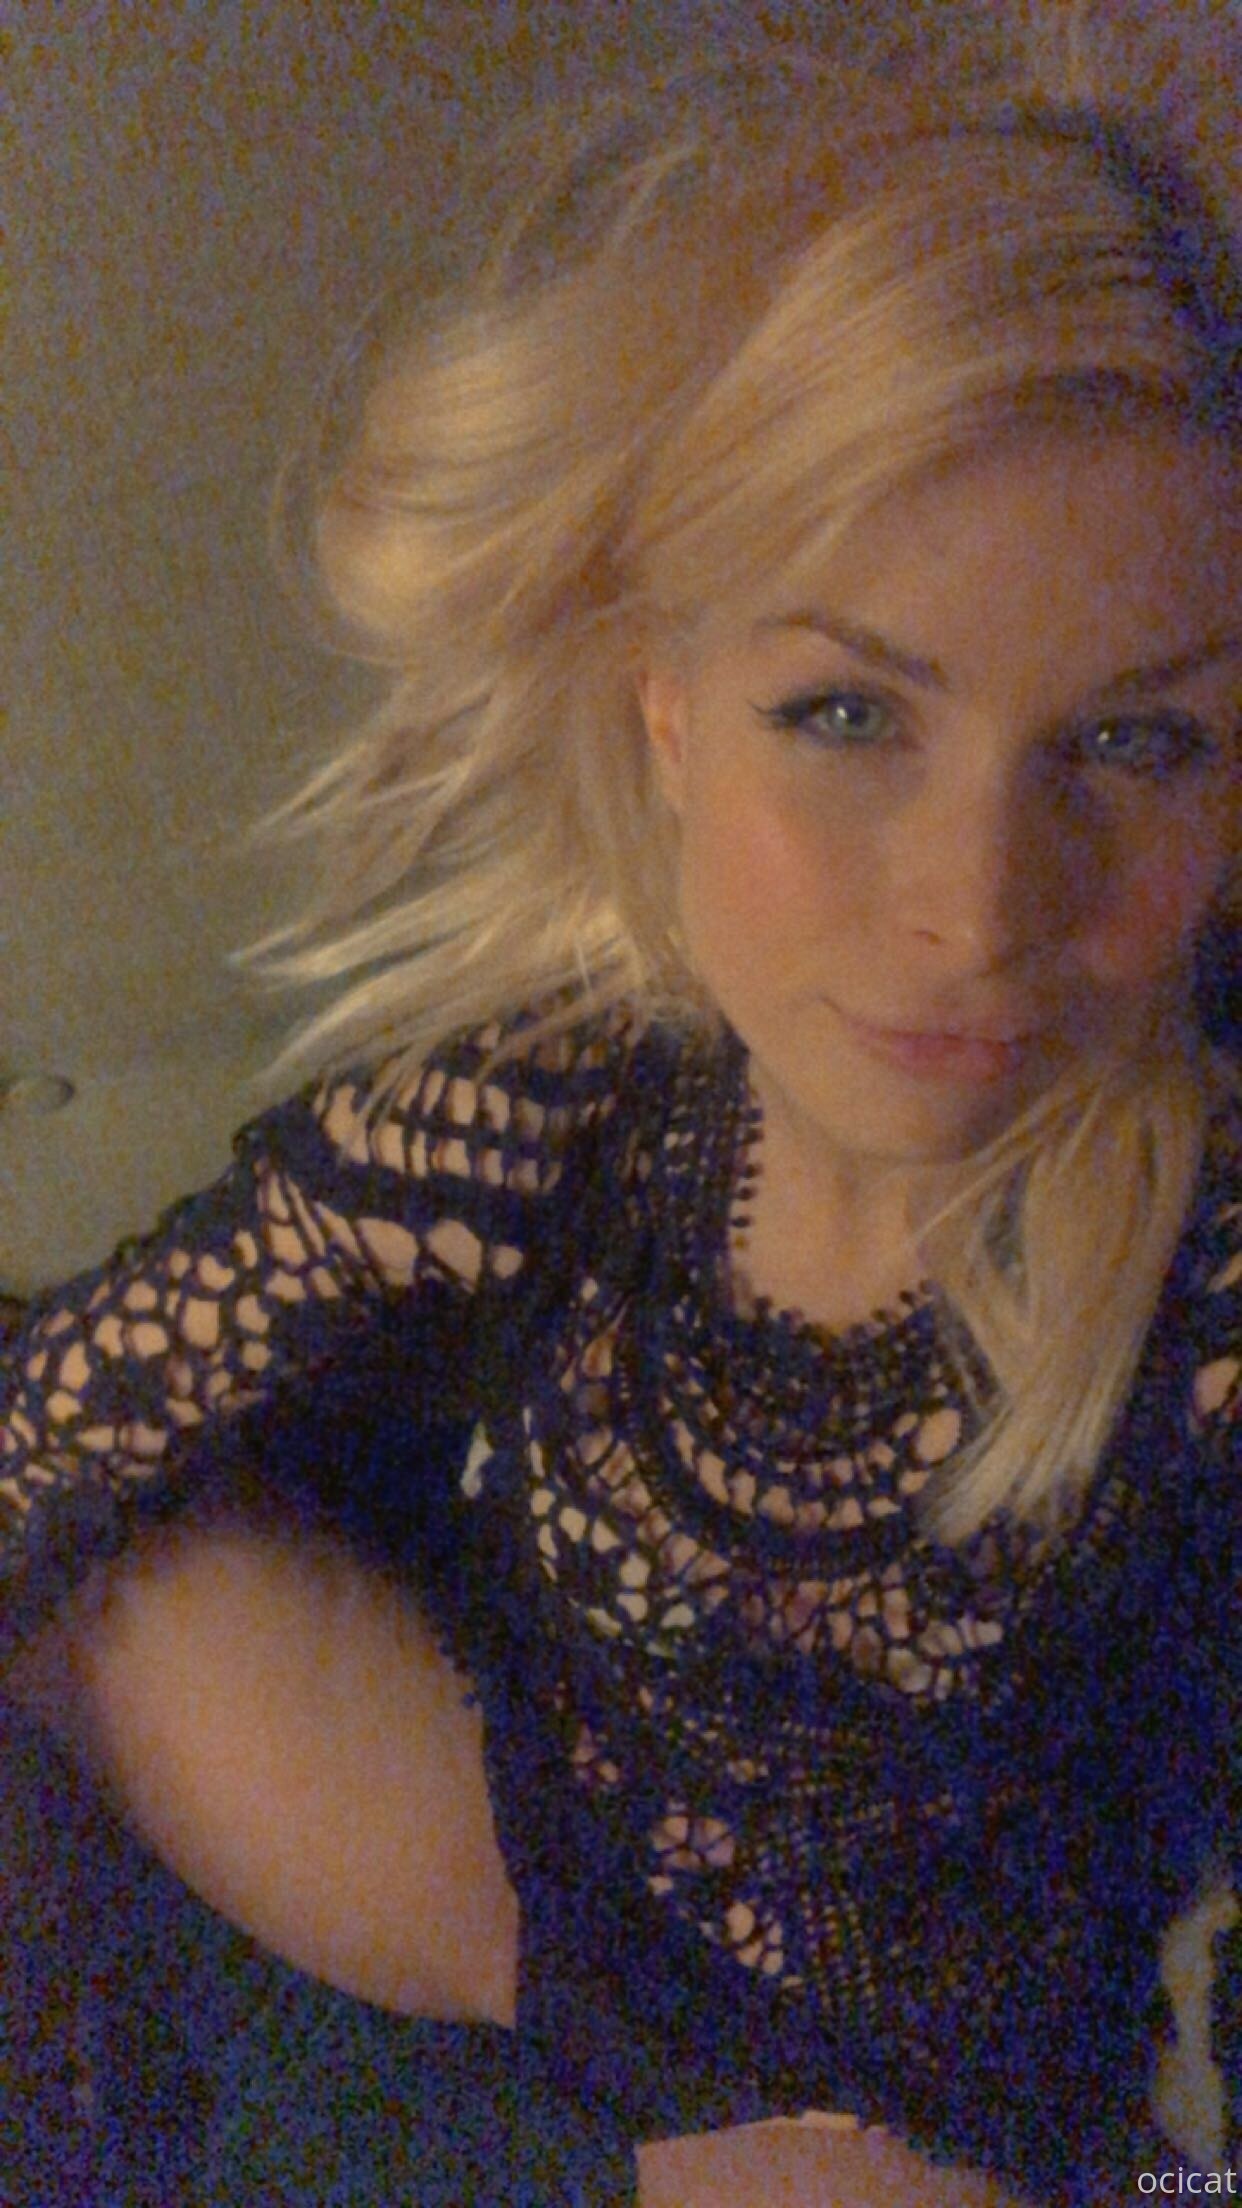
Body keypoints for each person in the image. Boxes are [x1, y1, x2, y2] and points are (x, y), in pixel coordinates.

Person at [1, 18, 1239, 2207]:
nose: (976, 913)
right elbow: (58, 1415)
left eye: (1136, 745)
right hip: (543, 1918)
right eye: (846, 713)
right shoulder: (561, 1112)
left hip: (954, 2129)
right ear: (667, 709)